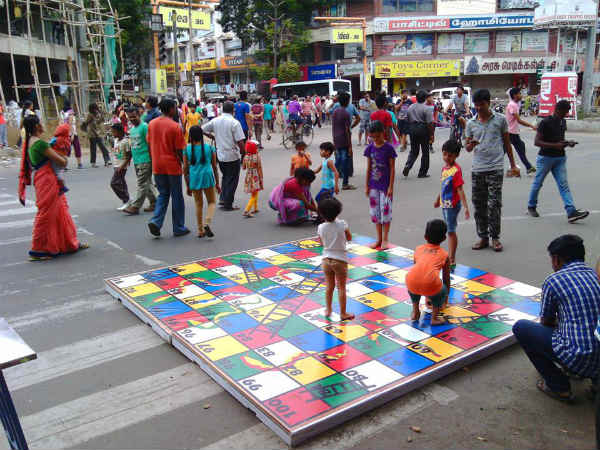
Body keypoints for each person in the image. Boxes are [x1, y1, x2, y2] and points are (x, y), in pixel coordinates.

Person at [513, 234, 600, 401]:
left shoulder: (553, 280)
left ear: (556, 259)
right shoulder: (595, 275)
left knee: (522, 328)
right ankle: (596, 383)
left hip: (579, 357)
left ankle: (559, 387)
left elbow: (546, 321)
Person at [18, 115, 88, 261]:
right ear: (37, 126)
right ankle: (38, 249)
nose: (43, 125)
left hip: (43, 178)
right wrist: (64, 157)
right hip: (48, 180)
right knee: (47, 214)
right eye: (40, 123)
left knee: (61, 211)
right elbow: (61, 162)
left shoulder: (30, 142)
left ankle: (69, 242)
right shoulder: (40, 144)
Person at [465, 88, 520, 253]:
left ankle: (495, 237)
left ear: (489, 103)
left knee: (494, 204)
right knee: (479, 205)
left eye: (482, 104)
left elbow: (507, 143)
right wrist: (471, 144)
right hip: (478, 169)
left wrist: (512, 164)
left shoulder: (500, 120)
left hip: (495, 168)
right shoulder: (470, 123)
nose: (479, 108)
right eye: (476, 105)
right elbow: (467, 147)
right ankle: (483, 237)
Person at [527, 100, 588, 223]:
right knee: (538, 183)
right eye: (565, 112)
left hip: (560, 158)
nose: (566, 114)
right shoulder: (545, 122)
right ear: (558, 110)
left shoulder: (562, 122)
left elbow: (559, 140)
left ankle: (571, 211)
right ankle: (531, 206)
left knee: (563, 185)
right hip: (545, 158)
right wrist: (556, 145)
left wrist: (567, 143)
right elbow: (537, 142)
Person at [146, 98, 190, 238]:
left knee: (163, 194)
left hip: (157, 164)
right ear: (171, 109)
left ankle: (156, 221)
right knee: (176, 195)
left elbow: (148, 143)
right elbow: (179, 149)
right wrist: (184, 165)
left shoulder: (152, 124)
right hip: (172, 165)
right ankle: (178, 227)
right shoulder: (175, 126)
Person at [405, 219, 451, 325]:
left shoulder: (418, 249)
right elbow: (446, 278)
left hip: (411, 282)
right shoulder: (444, 254)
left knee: (415, 280)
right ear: (444, 238)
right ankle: (435, 318)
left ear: (425, 237)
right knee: (442, 288)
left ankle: (415, 311)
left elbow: (419, 270)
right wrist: (445, 296)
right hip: (430, 285)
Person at [202, 101, 246, 212]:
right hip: (232, 155)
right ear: (233, 110)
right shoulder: (234, 122)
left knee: (226, 176)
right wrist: (243, 152)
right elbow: (240, 141)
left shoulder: (215, 121)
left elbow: (202, 129)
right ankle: (228, 203)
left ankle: (223, 198)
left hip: (220, 154)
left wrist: (212, 137)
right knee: (233, 179)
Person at [434, 139, 470, 270]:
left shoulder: (456, 170)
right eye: (444, 154)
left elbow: (460, 189)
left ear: (456, 155)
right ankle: (450, 256)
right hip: (445, 204)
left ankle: (452, 257)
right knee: (449, 230)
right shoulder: (445, 168)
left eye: (450, 155)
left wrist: (465, 207)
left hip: (452, 205)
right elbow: (443, 186)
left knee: (450, 231)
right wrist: (438, 199)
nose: (446, 157)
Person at [318, 197, 354, 320]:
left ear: (321, 213)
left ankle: (328, 309)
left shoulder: (321, 227)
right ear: (338, 211)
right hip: (340, 260)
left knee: (329, 286)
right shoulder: (342, 224)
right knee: (341, 287)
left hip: (326, 259)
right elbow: (349, 237)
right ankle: (343, 313)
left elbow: (321, 243)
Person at [364, 120, 396, 250]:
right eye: (373, 137)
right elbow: (368, 168)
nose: (375, 139)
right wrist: (366, 185)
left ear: (383, 133)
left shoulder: (389, 148)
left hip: (385, 187)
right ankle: (379, 239)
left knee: (385, 212)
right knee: (375, 213)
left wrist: (390, 187)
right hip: (373, 186)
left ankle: (386, 239)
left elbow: (393, 168)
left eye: (378, 136)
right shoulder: (369, 148)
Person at [184, 125, 219, 238]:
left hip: (194, 177)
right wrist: (217, 182)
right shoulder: (209, 148)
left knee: (198, 204)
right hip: (207, 176)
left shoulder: (187, 149)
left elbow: (185, 168)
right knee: (212, 202)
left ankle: (200, 230)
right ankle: (207, 223)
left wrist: (187, 185)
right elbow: (214, 166)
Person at [122, 108, 156, 215]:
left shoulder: (144, 127)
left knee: (141, 183)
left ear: (139, 115)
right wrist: (128, 160)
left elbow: (150, 143)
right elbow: (132, 147)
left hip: (146, 159)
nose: (132, 119)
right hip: (137, 160)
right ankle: (155, 202)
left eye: (134, 116)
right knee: (147, 182)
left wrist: (152, 159)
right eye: (130, 117)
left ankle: (135, 206)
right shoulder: (132, 130)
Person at [403, 90, 434, 179]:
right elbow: (430, 123)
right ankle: (422, 172)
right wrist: (431, 134)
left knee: (414, 150)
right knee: (425, 152)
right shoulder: (427, 108)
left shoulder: (410, 107)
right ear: (424, 98)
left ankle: (408, 165)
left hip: (412, 129)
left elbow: (407, 119)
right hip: (423, 129)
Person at [506, 87, 536, 174]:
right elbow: (519, 120)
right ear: (515, 95)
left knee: (520, 147)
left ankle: (528, 167)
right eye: (519, 93)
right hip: (511, 132)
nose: (521, 95)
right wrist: (531, 125)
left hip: (511, 132)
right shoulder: (512, 105)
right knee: (519, 148)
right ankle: (528, 167)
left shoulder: (515, 104)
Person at [332, 92, 355, 190]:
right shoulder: (345, 113)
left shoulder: (335, 111)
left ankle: (332, 180)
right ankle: (345, 183)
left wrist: (334, 140)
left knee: (339, 160)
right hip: (344, 139)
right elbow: (347, 130)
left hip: (336, 138)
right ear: (347, 101)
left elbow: (333, 127)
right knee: (344, 161)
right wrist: (350, 146)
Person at [109, 123, 131, 210]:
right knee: (122, 183)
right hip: (116, 164)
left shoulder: (125, 141)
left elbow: (129, 156)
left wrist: (122, 166)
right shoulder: (116, 140)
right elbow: (117, 152)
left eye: (114, 132)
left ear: (120, 132)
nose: (112, 134)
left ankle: (126, 199)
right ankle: (127, 200)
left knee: (114, 183)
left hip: (121, 166)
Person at [82, 103, 111, 168]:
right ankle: (93, 162)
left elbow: (100, 121)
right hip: (92, 134)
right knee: (93, 148)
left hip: (99, 133)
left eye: (97, 108)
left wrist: (102, 116)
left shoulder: (99, 113)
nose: (96, 110)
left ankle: (107, 160)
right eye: (95, 109)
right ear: (92, 109)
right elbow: (88, 122)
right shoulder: (90, 115)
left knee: (103, 147)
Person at [242, 140, 263, 218]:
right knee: (254, 193)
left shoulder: (245, 157)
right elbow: (259, 168)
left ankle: (255, 208)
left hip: (248, 175)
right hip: (255, 176)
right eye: (256, 147)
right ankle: (247, 210)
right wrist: (261, 178)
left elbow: (243, 168)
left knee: (254, 191)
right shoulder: (257, 156)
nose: (257, 149)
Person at [60, 101, 82, 169]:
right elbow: (70, 123)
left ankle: (64, 165)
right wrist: (72, 134)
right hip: (72, 132)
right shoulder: (71, 112)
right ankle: (79, 164)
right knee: (77, 147)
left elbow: (60, 122)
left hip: (64, 132)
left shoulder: (62, 112)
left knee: (66, 149)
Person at [49, 123, 71, 194]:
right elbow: (68, 149)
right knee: (59, 171)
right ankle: (61, 186)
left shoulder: (55, 139)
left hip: (55, 157)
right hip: (63, 158)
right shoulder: (67, 139)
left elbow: (49, 146)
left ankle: (61, 186)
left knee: (56, 172)